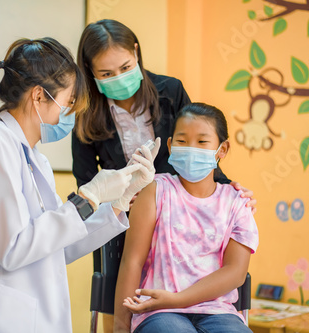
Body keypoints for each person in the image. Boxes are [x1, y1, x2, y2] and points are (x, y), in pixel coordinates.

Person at [0, 37, 157, 333]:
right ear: (38, 96)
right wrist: (88, 197)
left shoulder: (35, 158)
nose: (71, 112)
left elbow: (58, 244)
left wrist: (118, 202)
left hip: (21, 312)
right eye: (69, 101)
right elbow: (14, 249)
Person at [72, 19, 256, 332]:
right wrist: (115, 208)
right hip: (124, 223)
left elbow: (196, 136)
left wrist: (229, 193)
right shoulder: (88, 119)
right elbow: (87, 189)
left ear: (136, 52)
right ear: (90, 72)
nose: (118, 78)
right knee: (125, 304)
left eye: (125, 66)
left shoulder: (170, 91)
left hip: (180, 210)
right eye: (106, 74)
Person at [114, 103, 259, 333]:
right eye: (182, 141)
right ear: (170, 146)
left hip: (218, 312)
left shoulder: (237, 202)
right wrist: (121, 328)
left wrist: (176, 298)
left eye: (202, 142)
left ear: (222, 149)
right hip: (158, 312)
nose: (191, 148)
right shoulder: (155, 191)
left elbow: (235, 272)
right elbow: (132, 261)